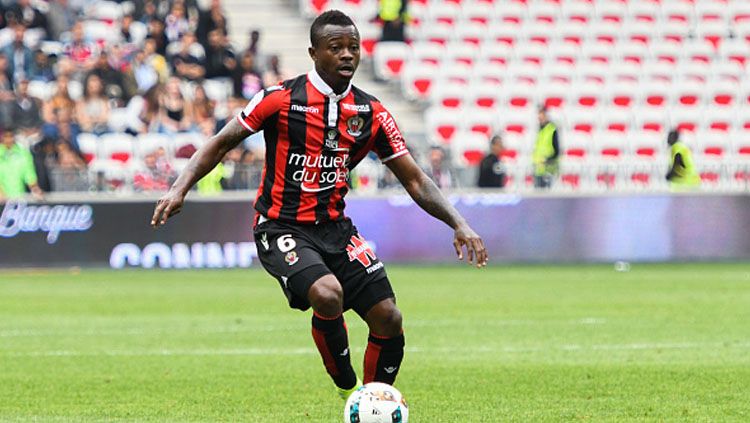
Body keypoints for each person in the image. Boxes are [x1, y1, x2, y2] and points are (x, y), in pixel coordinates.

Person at [151, 10, 487, 400]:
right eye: (336, 47)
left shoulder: (371, 113)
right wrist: (179, 188)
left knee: (389, 318)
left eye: (353, 47)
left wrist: (459, 223)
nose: (347, 55)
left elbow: (414, 178)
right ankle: (344, 379)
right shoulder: (279, 99)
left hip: (335, 228)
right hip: (280, 227)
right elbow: (220, 143)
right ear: (314, 53)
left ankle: (372, 401)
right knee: (327, 294)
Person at [0, 127, 44, 200]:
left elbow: (30, 176)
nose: (8, 140)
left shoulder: (23, 154)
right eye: (5, 136)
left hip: (18, 200)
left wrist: (35, 189)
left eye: (10, 136)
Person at [532, 106, 559, 189]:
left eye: (542, 114)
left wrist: (547, 160)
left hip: (548, 169)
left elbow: (556, 151)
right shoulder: (540, 130)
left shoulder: (552, 129)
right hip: (538, 169)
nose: (540, 117)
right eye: (539, 114)